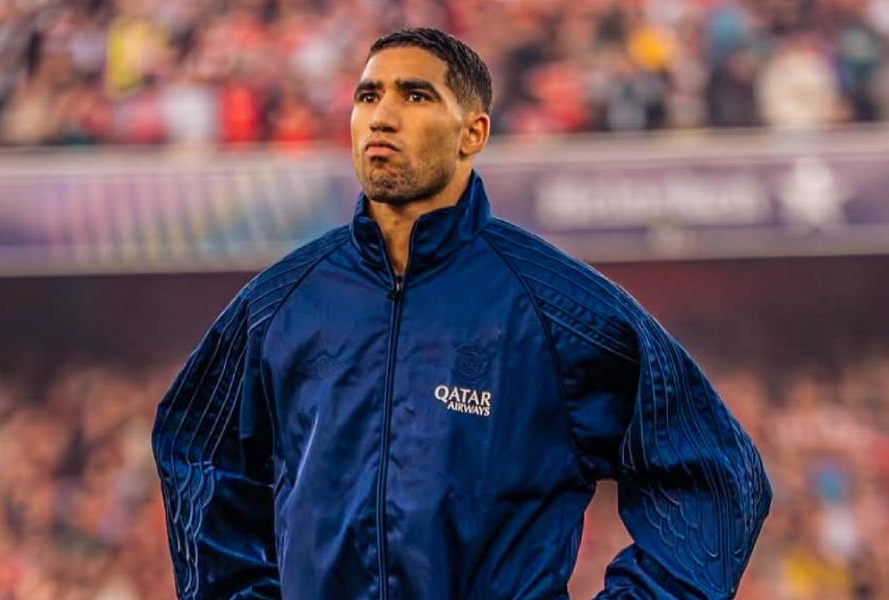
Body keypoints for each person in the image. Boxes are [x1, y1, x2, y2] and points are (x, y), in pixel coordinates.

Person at [151, 27, 771, 600]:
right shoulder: (279, 303)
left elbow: (719, 477)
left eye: (415, 95)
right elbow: (196, 452)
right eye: (368, 96)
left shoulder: (560, 310)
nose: (381, 115)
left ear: (472, 133)